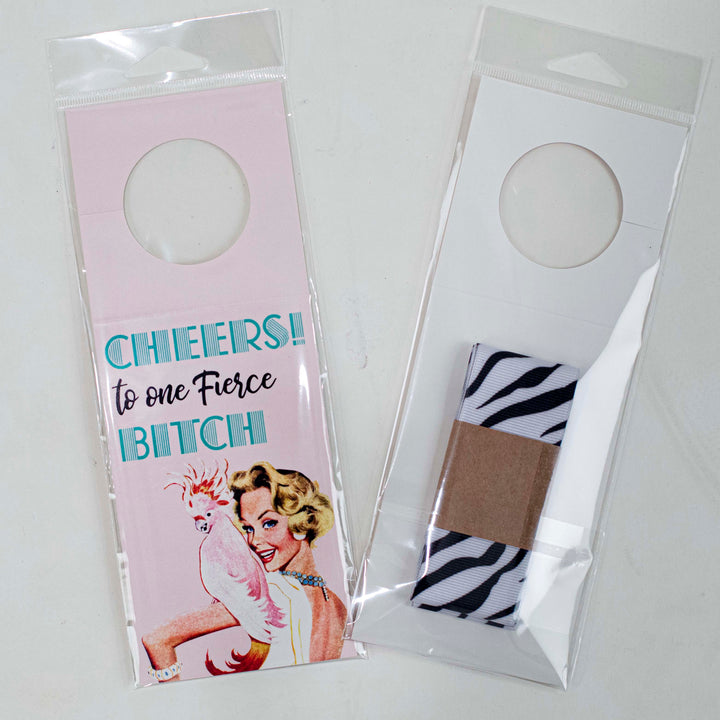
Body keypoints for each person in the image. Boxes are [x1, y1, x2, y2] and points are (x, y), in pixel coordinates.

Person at [142, 461, 346, 681]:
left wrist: (174, 695)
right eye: (248, 528)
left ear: (303, 522)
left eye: (268, 523)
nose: (253, 540)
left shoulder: (275, 592)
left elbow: (156, 640)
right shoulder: (337, 604)